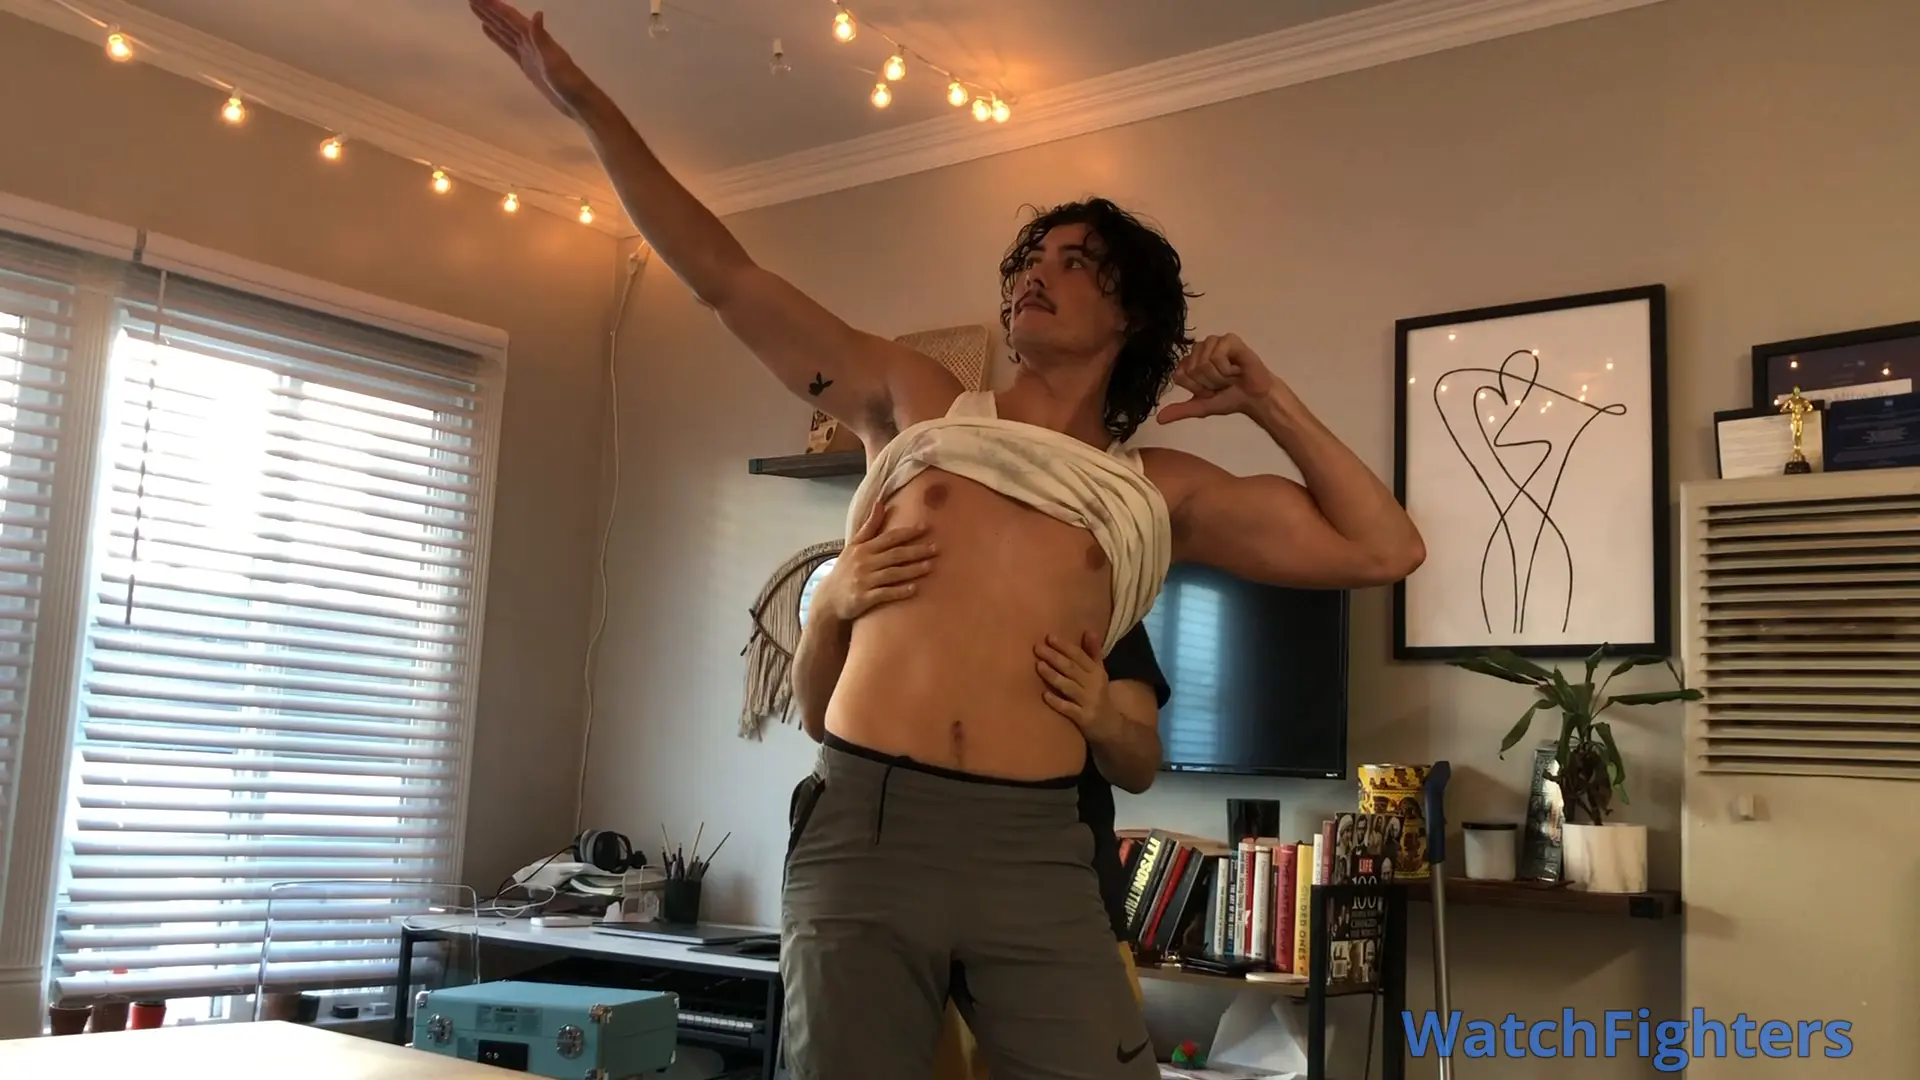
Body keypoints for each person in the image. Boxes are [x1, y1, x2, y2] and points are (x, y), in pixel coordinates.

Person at [468, 5, 1425, 1076]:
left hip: (1034, 849)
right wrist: (583, 101)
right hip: (866, 824)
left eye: (1076, 262)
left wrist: (1269, 399)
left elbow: (1383, 550)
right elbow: (727, 281)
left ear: (1131, 317)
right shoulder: (918, 405)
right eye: (1032, 257)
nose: (1036, 273)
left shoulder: (1152, 490)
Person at [789, 519, 1174, 1080]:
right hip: (881, 880)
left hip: (1051, 896)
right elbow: (816, 718)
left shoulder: (1093, 583)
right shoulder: (898, 562)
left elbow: (1139, 766)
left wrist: (1103, 719)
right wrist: (826, 608)